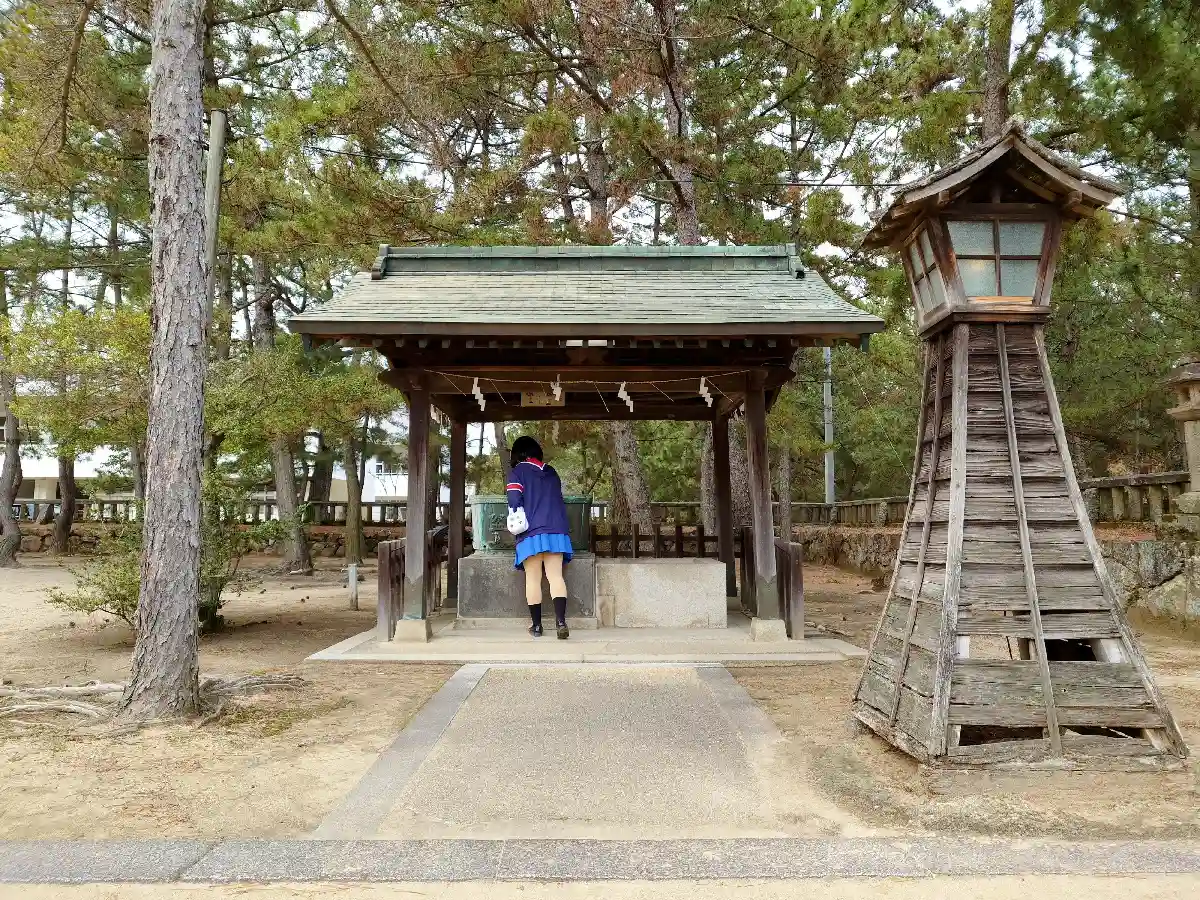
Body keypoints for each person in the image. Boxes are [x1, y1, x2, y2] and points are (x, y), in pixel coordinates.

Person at [506, 436, 572, 639]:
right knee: (556, 576)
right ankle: (561, 623)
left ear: (518, 453)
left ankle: (536, 627)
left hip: (531, 532)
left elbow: (514, 499)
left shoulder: (518, 472)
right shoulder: (551, 472)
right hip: (556, 529)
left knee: (533, 579)